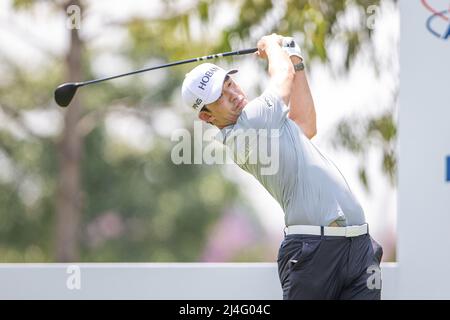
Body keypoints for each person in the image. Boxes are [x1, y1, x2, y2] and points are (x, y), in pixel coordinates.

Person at [181, 33, 383, 300]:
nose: (233, 93)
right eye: (219, 95)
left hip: (358, 246)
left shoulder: (266, 121)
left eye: (229, 82)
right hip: (313, 250)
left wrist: (295, 58)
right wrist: (272, 45)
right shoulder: (250, 124)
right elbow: (282, 77)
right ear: (207, 116)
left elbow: (306, 125)